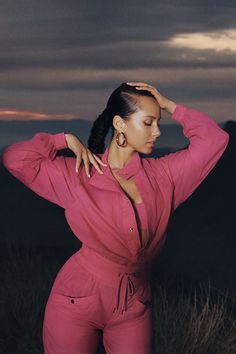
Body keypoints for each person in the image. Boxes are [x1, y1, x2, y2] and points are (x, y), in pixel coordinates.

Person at [2, 81, 229, 354]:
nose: (156, 131)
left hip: (134, 305)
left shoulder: (166, 176)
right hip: (77, 299)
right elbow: (15, 159)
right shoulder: (79, 174)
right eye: (148, 122)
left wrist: (170, 105)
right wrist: (62, 140)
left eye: (158, 122)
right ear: (120, 124)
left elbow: (215, 140)